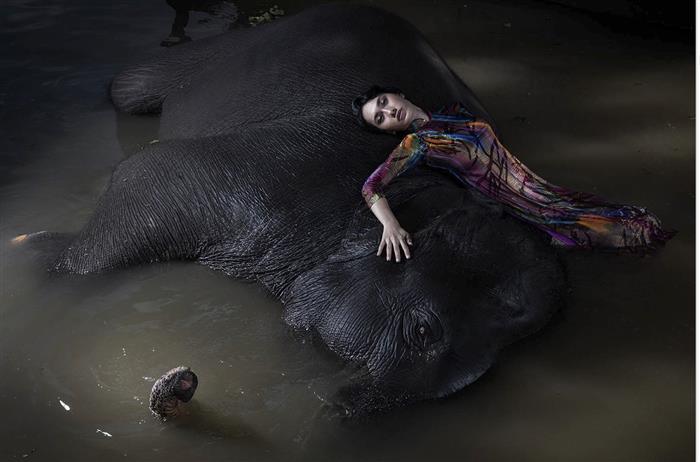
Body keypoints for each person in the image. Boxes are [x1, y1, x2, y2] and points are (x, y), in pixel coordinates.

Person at [351, 85, 675, 262]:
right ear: (388, 130)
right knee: (632, 234)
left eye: (384, 101)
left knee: (638, 219)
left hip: (547, 191)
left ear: (398, 94)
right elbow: (371, 187)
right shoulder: (415, 144)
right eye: (380, 118)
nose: (388, 110)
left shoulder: (454, 112)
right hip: (529, 208)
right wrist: (390, 225)